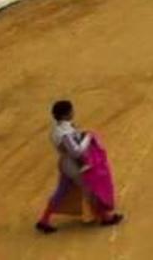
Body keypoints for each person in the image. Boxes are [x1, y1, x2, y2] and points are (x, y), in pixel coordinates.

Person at [36, 100, 123, 234]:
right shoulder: (65, 132)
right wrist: (88, 137)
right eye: (71, 111)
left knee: (61, 191)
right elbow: (76, 152)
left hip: (65, 163)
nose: (73, 112)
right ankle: (106, 217)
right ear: (66, 115)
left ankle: (44, 220)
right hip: (74, 166)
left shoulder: (57, 128)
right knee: (92, 188)